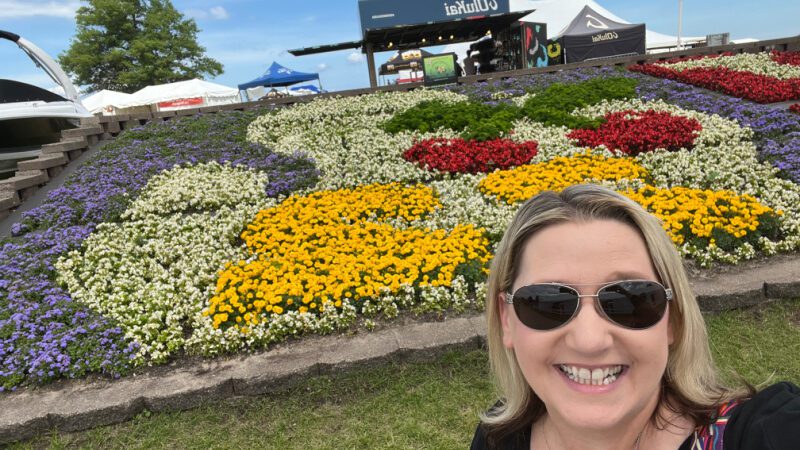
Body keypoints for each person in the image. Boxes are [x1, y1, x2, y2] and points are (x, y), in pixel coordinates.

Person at [471, 184, 800, 449]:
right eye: (547, 302)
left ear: (673, 318)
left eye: (629, 300)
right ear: (506, 319)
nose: (590, 340)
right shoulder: (499, 437)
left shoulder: (763, 432)